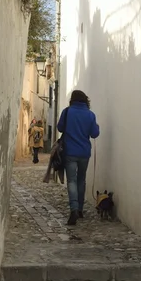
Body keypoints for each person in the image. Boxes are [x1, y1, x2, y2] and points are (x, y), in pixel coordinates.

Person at [57, 90, 100, 226]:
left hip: (70, 152)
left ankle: (74, 209)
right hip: (84, 153)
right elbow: (94, 134)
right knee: (81, 180)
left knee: (71, 181)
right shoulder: (90, 115)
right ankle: (80, 209)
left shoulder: (67, 111)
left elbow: (60, 128)